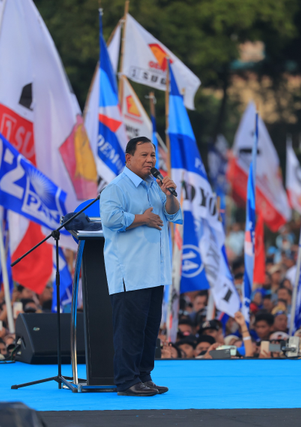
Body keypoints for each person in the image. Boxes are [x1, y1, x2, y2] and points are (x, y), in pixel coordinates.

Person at [100, 136, 182, 396]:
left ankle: (144, 377)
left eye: (153, 156)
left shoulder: (155, 186)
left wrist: (169, 195)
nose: (150, 160)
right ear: (129, 158)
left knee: (148, 330)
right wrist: (141, 218)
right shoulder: (116, 187)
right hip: (130, 273)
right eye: (144, 155)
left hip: (155, 272)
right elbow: (110, 218)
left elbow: (172, 214)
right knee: (129, 331)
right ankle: (126, 381)